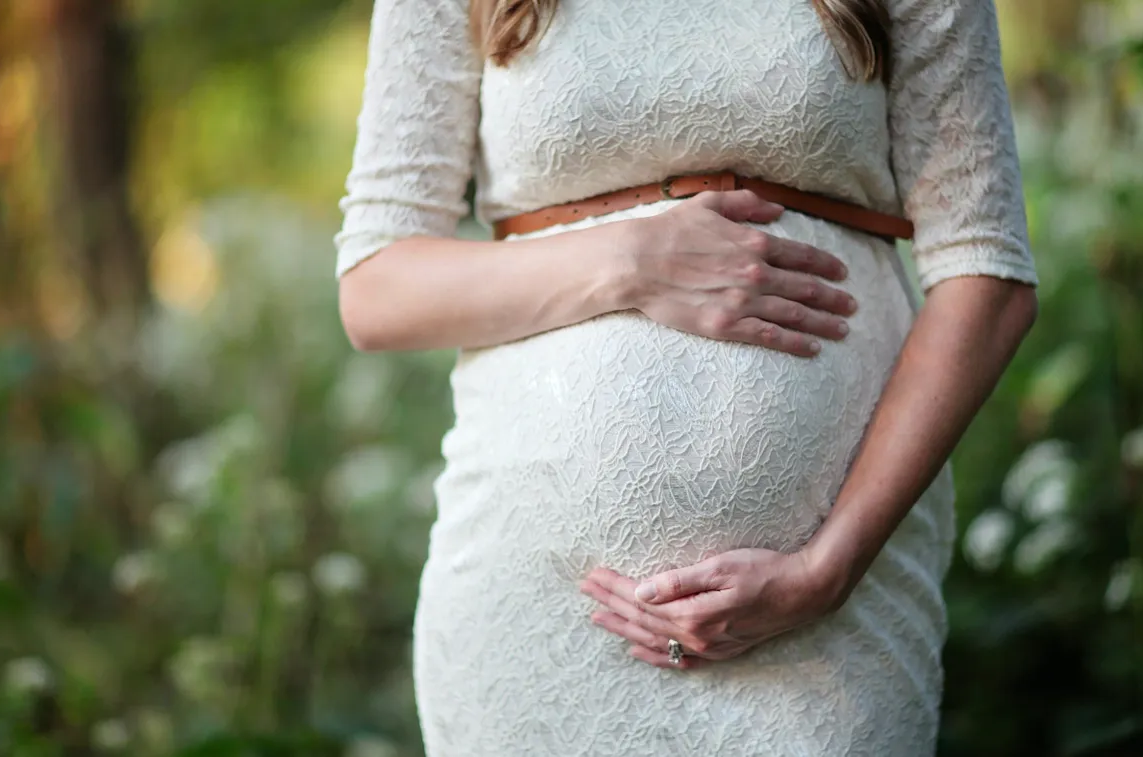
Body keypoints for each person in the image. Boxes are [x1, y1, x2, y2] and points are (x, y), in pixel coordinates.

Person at [333, 0, 1038, 754]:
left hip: (831, 620)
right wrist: (630, 263)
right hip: (532, 612)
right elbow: (377, 286)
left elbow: (986, 274)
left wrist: (828, 567)